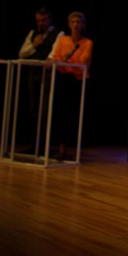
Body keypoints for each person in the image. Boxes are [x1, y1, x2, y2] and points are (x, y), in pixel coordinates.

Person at [47, 11, 92, 160]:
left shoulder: (87, 43)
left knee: (73, 114)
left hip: (77, 81)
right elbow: (57, 59)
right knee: (60, 113)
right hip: (63, 78)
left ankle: (73, 148)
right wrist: (65, 62)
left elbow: (83, 62)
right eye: (73, 22)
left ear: (83, 25)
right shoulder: (63, 40)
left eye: (78, 22)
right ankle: (61, 147)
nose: (75, 25)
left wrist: (68, 62)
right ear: (69, 24)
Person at [17, 7, 63, 137]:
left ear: (50, 19)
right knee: (34, 109)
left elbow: (54, 53)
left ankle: (44, 143)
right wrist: (34, 45)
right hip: (33, 74)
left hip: (47, 75)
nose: (41, 23)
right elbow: (21, 54)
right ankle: (34, 143)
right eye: (38, 20)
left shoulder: (59, 34)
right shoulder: (33, 34)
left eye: (44, 20)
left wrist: (48, 60)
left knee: (45, 110)